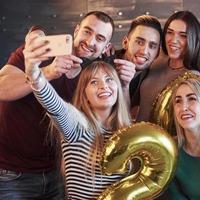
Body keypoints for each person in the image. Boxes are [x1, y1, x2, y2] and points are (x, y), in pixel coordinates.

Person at [0, 11, 118, 199]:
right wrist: (47, 72)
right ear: (76, 30)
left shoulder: (89, 80)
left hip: (56, 175)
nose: (90, 41)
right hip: (11, 173)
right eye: (87, 31)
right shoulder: (40, 51)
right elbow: (2, 88)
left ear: (106, 47)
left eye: (100, 38)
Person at [25, 46, 131, 199]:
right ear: (85, 94)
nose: (103, 85)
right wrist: (34, 74)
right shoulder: (77, 126)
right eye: (94, 82)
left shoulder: (129, 131)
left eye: (109, 79)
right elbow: (55, 105)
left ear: (118, 88)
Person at [133, 10, 200, 122]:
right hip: (136, 132)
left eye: (183, 35)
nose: (173, 40)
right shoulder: (159, 57)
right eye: (170, 32)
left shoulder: (192, 76)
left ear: (192, 39)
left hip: (159, 138)